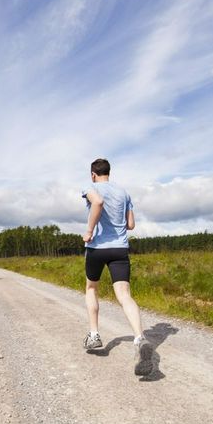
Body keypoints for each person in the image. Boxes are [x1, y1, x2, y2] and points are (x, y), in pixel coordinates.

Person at [81, 158, 152, 376]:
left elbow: (98, 202)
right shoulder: (124, 193)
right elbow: (130, 224)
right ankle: (140, 338)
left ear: (93, 174)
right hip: (120, 249)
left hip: (97, 248)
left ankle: (94, 335)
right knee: (124, 295)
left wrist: (90, 230)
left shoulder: (90, 188)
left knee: (92, 288)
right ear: (108, 173)